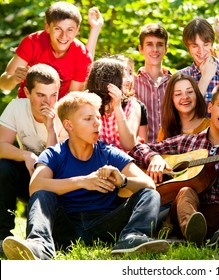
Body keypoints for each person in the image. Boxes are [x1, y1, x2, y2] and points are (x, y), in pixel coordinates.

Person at [1, 91, 169, 260]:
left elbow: (149, 184)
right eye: (88, 119)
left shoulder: (110, 153)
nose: (97, 123)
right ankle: (39, 246)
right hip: (65, 229)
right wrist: (83, 181)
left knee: (149, 194)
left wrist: (123, 180)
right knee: (42, 194)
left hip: (105, 226)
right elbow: (35, 186)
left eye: (97, 117)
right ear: (69, 125)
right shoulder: (54, 154)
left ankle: (132, 240)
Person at [130, 83, 219, 250]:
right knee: (186, 191)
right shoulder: (189, 141)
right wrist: (154, 157)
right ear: (210, 107)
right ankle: (193, 233)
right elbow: (137, 148)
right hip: (187, 212)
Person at [0, 64, 67, 252]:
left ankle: (35, 243)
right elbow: (1, 146)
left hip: (57, 182)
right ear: (27, 92)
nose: (48, 102)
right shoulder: (16, 107)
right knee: (3, 167)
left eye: (53, 95)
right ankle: (2, 237)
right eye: (40, 95)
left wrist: (51, 128)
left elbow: (59, 164)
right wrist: (26, 155)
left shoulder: (65, 112)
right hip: (28, 176)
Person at [0, 2, 103, 99]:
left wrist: (95, 28)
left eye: (70, 30)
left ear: (77, 30)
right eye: (58, 29)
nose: (64, 36)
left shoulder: (82, 55)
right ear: (48, 28)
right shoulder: (32, 42)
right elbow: (3, 84)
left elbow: (73, 100)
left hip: (60, 109)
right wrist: (13, 78)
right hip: (26, 105)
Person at [86, 57, 144, 152]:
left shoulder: (132, 105)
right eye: (123, 76)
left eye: (129, 74)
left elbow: (128, 145)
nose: (129, 80)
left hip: (123, 163)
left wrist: (117, 107)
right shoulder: (86, 103)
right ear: (106, 79)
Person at [180, 16, 219, 106]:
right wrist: (205, 78)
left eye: (206, 44)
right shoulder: (182, 76)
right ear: (188, 47)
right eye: (195, 46)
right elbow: (189, 109)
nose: (201, 51)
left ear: (212, 43)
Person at [133, 23, 171, 143]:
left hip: (172, 152)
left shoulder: (175, 83)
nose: (155, 49)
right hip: (141, 152)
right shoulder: (131, 83)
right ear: (141, 49)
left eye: (160, 45)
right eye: (149, 44)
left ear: (166, 49)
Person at [157, 72, 210, 141]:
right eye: (178, 94)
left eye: (190, 92)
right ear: (171, 100)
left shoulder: (211, 127)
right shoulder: (164, 132)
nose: (185, 97)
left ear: (197, 95)